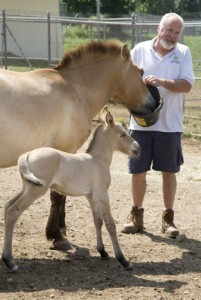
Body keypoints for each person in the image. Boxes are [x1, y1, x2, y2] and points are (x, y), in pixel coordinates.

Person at [121, 13, 194, 238]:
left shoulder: (183, 53)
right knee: (138, 171)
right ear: (158, 28)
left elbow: (187, 85)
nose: (172, 36)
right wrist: (138, 83)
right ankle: (136, 217)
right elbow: (124, 81)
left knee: (169, 172)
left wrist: (161, 82)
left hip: (170, 125)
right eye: (168, 30)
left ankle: (168, 220)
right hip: (140, 124)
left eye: (176, 32)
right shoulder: (139, 50)